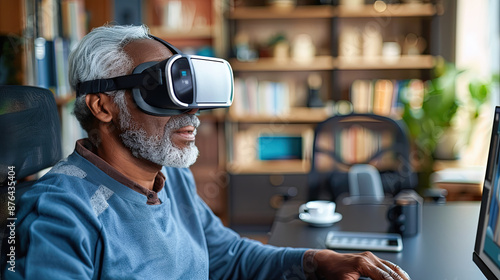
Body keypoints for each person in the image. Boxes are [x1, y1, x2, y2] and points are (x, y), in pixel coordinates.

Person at [5, 25, 410, 280]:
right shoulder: (62, 212)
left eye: (189, 92)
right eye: (162, 90)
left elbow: (226, 255)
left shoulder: (171, 175)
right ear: (103, 106)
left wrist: (316, 260)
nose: (192, 111)